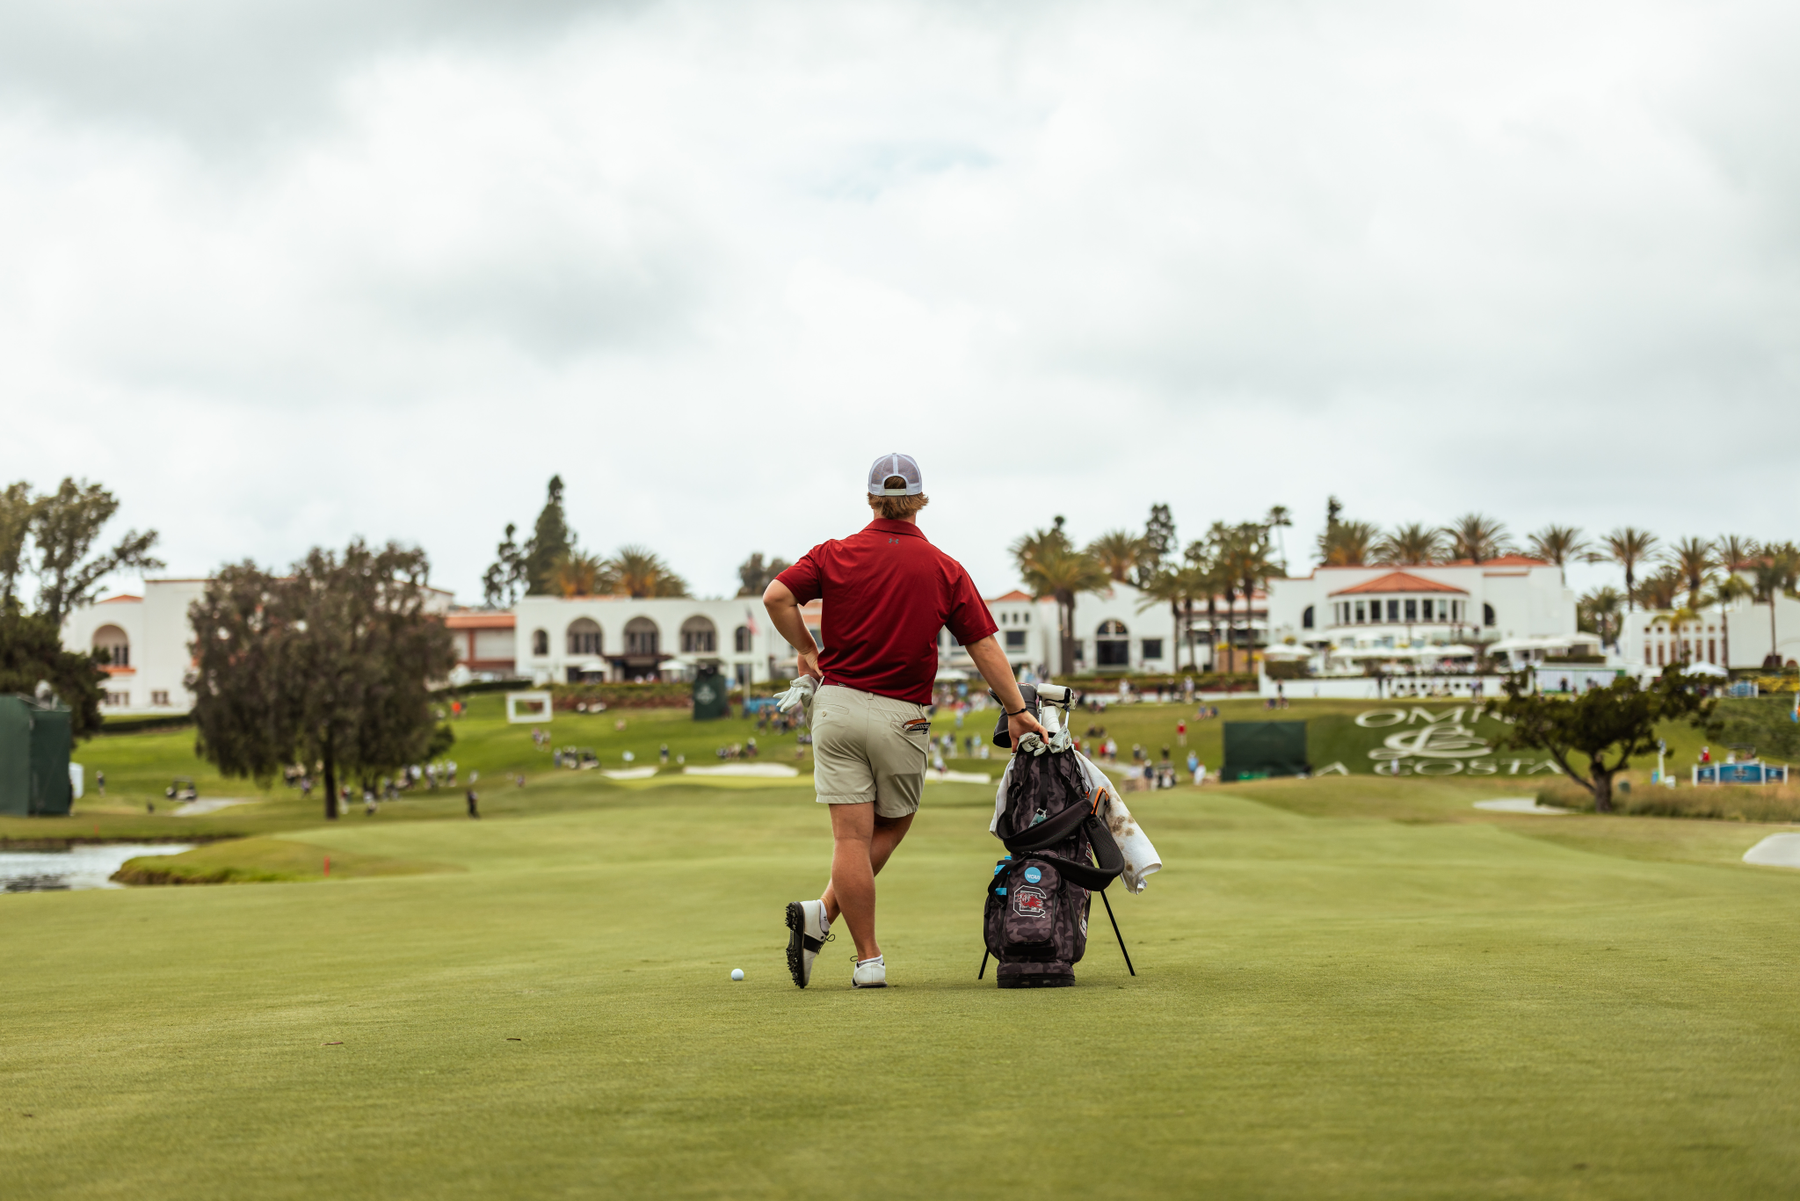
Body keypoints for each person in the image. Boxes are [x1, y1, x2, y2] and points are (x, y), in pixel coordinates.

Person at [765, 452, 1047, 991]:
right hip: (902, 716)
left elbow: (777, 596)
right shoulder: (945, 568)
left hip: (838, 706)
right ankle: (825, 915)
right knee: (892, 824)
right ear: (919, 501)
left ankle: (864, 957)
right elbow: (983, 645)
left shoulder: (834, 553)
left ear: (872, 500)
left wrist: (807, 649)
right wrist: (1017, 710)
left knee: (850, 839)